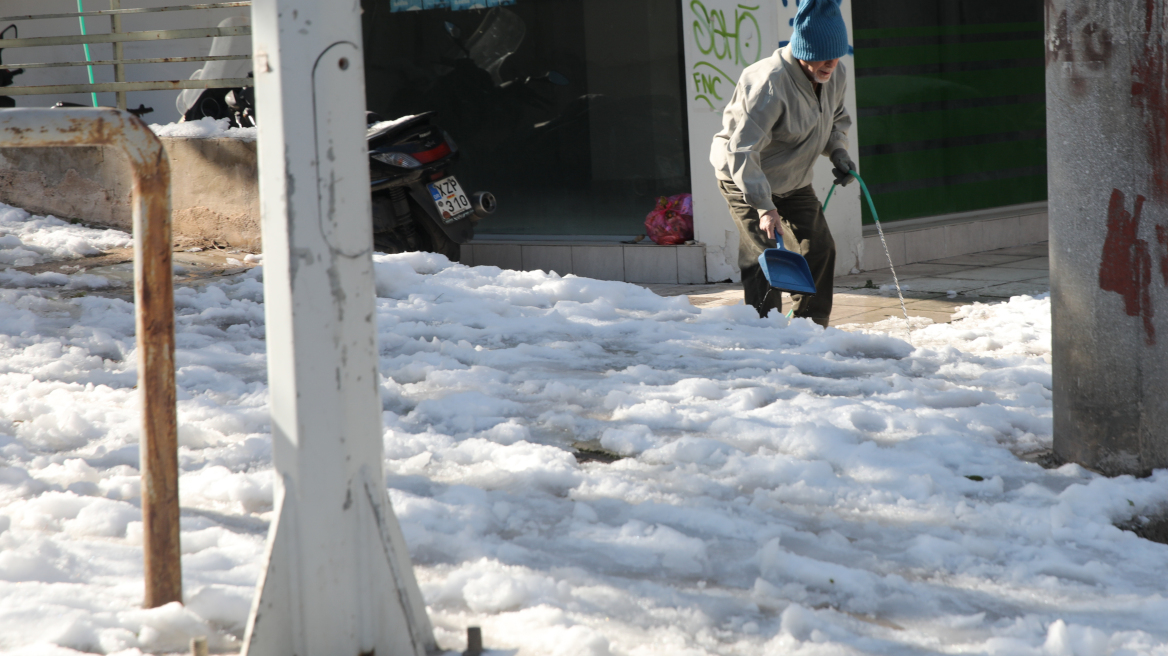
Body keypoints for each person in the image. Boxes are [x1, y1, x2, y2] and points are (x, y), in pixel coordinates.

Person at [709, 0, 855, 327]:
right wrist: (763, 206)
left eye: (836, 55)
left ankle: (810, 328)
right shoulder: (769, 83)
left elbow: (836, 120)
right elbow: (741, 151)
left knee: (818, 248)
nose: (831, 64)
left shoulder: (835, 73)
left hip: (793, 179)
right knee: (763, 255)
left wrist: (838, 152)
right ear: (803, 48)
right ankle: (766, 330)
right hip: (744, 177)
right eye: (823, 56)